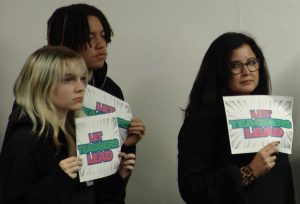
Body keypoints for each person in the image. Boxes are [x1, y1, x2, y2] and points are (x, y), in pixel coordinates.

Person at [0, 46, 136, 204]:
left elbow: (93, 196)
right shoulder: (24, 143)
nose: (80, 88)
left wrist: (116, 177)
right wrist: (58, 182)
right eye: (68, 79)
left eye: (82, 79)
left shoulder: (81, 132)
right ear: (40, 84)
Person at [177, 32, 295, 204]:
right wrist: (249, 171)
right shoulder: (202, 120)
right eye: (235, 65)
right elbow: (192, 188)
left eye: (252, 62)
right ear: (219, 70)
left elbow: (283, 182)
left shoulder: (272, 111)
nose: (246, 71)